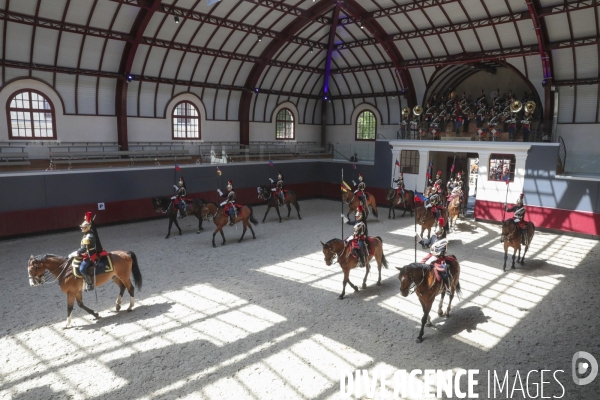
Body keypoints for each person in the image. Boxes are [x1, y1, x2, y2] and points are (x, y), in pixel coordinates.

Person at [416, 218, 451, 295]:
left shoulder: (444, 240)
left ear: (441, 232)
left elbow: (443, 251)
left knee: (444, 271)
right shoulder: (433, 237)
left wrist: (438, 254)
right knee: (420, 265)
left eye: (439, 233)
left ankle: (447, 287)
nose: (437, 234)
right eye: (437, 233)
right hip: (431, 255)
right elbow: (425, 243)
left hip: (439, 258)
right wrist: (419, 240)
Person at [74, 212, 97, 291]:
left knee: (82, 269)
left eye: (83, 227)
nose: (81, 228)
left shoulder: (90, 236)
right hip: (85, 253)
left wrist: (77, 252)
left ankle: (90, 284)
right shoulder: (86, 234)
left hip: (90, 255)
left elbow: (84, 248)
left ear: (87, 228)